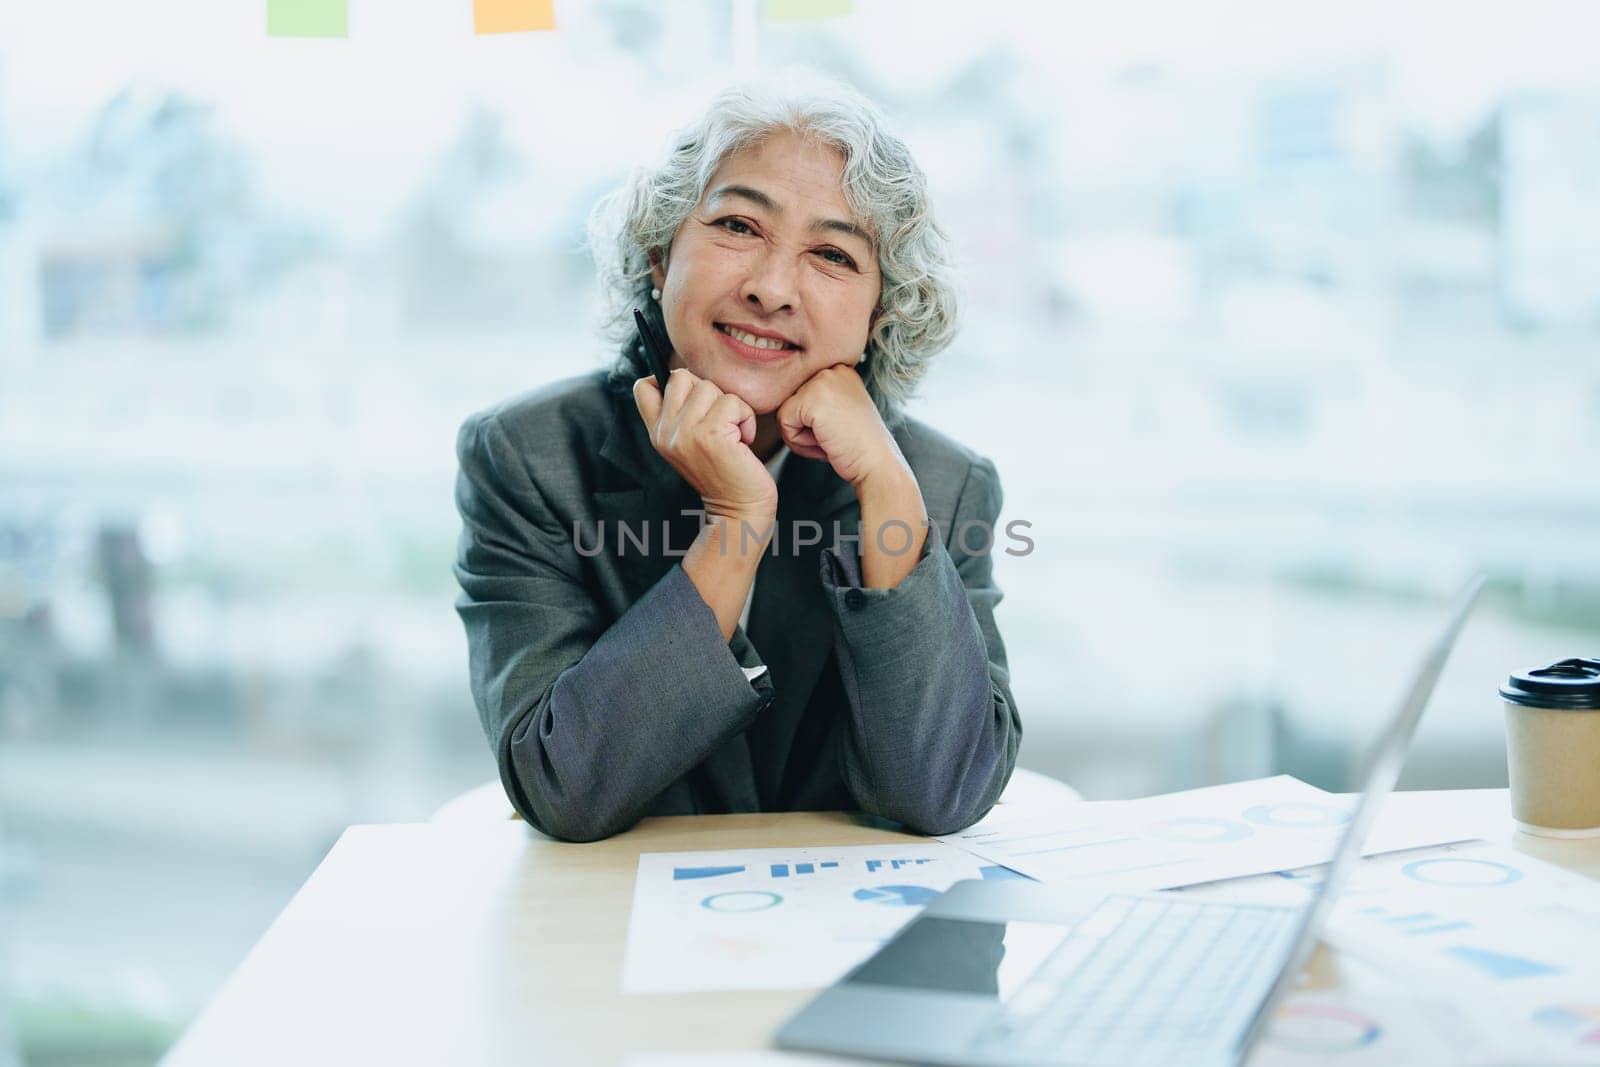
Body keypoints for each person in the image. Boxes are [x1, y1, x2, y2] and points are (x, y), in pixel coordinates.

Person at [452, 73, 1020, 842]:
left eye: (832, 254)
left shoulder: (942, 486)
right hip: (605, 935)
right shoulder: (529, 460)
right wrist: (735, 523)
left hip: (845, 935)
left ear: (880, 313)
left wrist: (889, 487)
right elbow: (566, 788)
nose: (772, 288)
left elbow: (941, 789)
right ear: (660, 256)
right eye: (739, 228)